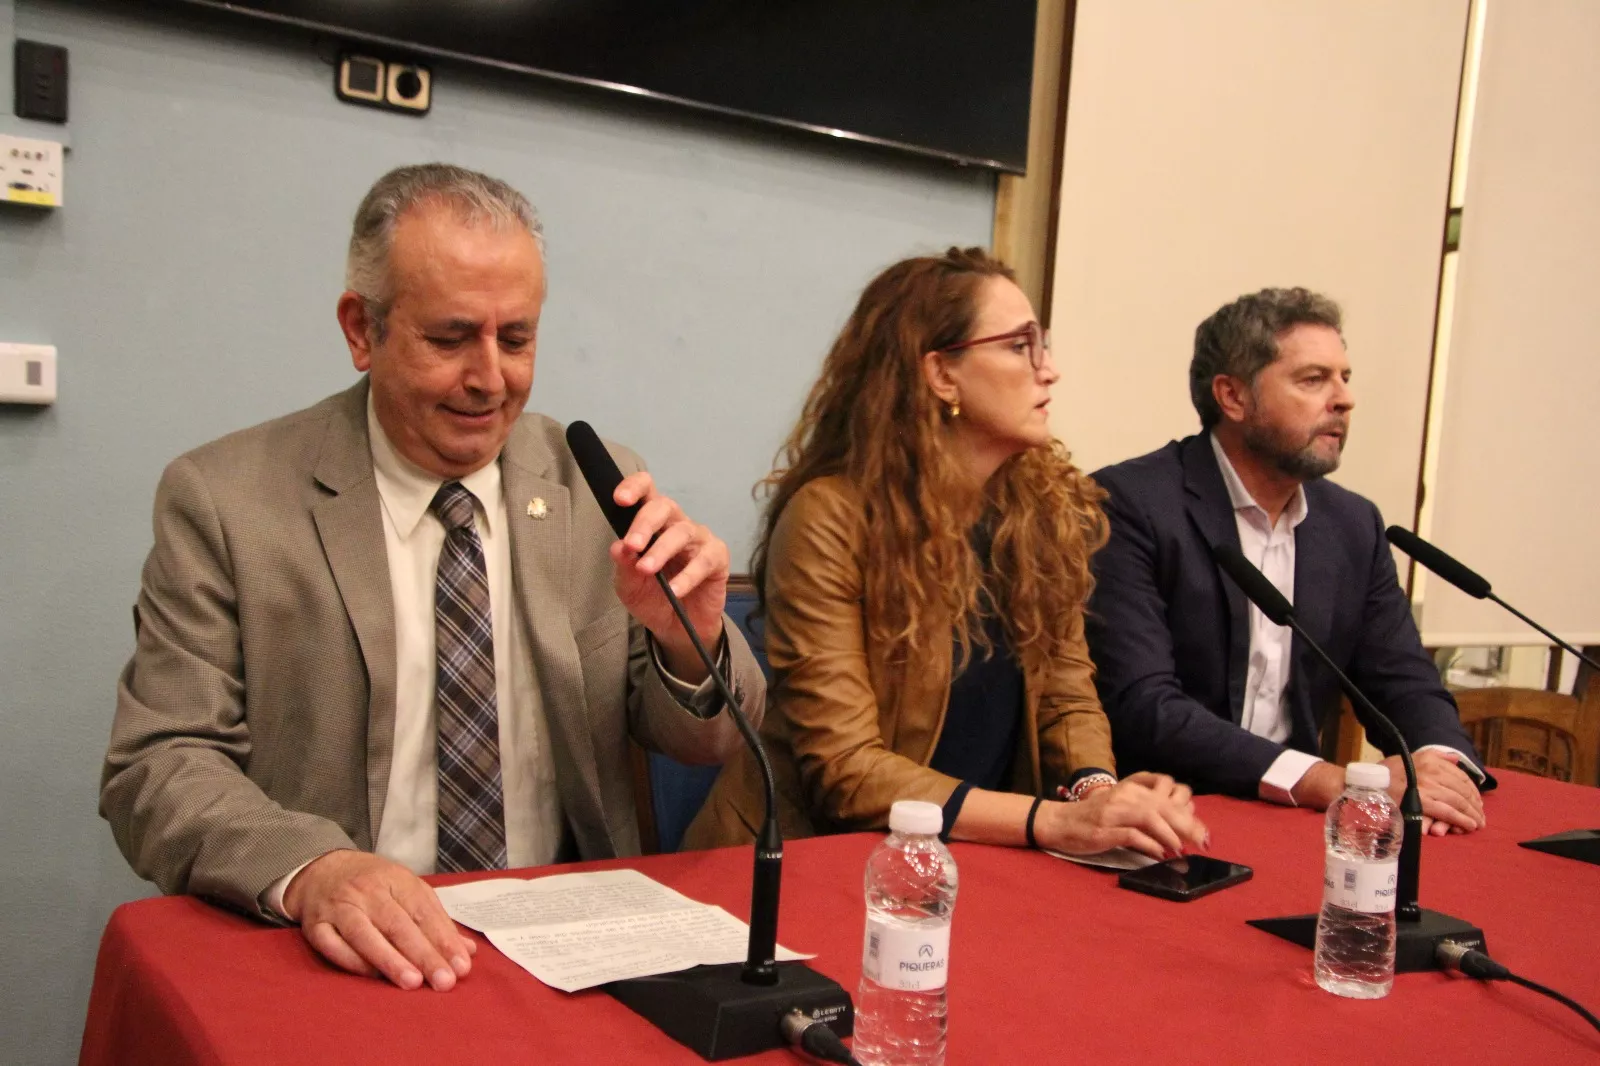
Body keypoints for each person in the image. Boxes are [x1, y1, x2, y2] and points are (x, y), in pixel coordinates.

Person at [101, 163, 765, 993]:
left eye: (516, 338)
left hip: (569, 946)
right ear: (361, 329)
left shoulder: (594, 482)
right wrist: (313, 869)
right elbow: (159, 761)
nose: (491, 378)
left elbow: (704, 740)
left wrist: (690, 636)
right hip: (347, 951)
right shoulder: (228, 501)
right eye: (450, 338)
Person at [684, 248, 1205, 859]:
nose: (1050, 370)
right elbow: (847, 772)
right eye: (1019, 346)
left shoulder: (1040, 512)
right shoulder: (829, 516)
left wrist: (1096, 792)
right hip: (806, 862)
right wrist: (1054, 822)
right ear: (941, 374)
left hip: (971, 858)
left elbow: (1067, 696)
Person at [1086, 287, 1491, 833]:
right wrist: (1329, 781)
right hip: (1161, 821)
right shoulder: (1132, 504)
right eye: (1313, 379)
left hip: (1293, 826)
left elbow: (1405, 682)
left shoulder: (1352, 525)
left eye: (1345, 378)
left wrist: (1439, 769)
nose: (1343, 399)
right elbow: (1144, 705)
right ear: (1232, 397)